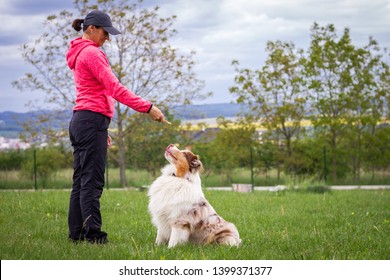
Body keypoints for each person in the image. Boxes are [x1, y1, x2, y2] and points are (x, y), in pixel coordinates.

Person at [66, 10, 166, 244]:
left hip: (84, 120)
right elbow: (115, 88)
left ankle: (77, 234)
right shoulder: (92, 53)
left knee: (81, 180)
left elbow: (94, 92)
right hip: (90, 121)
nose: (107, 38)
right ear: (91, 28)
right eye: (105, 32)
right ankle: (94, 237)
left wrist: (102, 128)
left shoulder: (78, 51)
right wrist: (147, 107)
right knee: (92, 181)